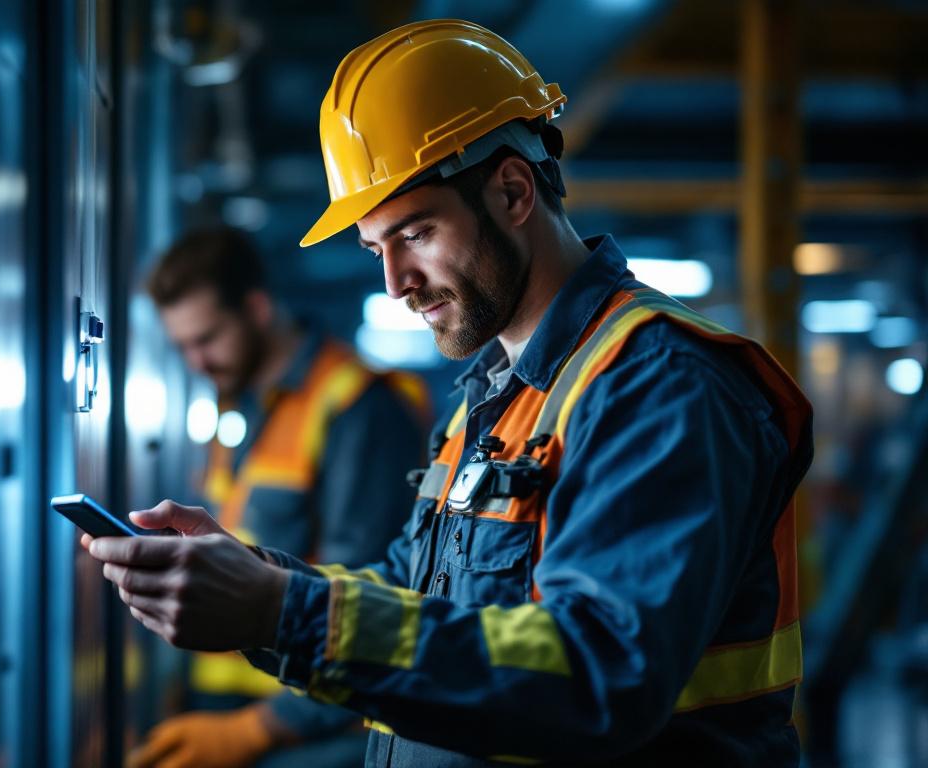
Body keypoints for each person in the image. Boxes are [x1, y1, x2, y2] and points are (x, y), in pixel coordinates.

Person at [90, 19, 812, 767]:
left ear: (511, 191)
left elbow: (603, 673)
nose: (395, 283)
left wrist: (284, 612)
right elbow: (417, 590)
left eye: (417, 234)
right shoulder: (493, 396)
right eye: (376, 249)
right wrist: (259, 580)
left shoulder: (660, 383)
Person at [134, 226, 432, 768]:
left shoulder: (359, 407)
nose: (196, 362)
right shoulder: (239, 406)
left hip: (309, 724)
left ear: (257, 307)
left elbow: (373, 608)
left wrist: (254, 732)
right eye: (182, 346)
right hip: (232, 707)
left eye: (207, 338)